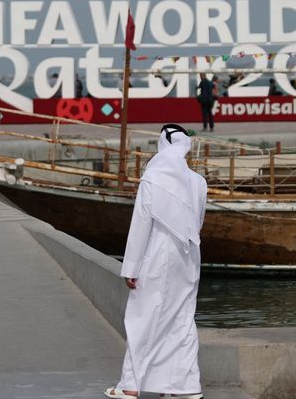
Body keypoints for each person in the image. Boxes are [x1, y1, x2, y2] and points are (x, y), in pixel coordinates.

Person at [105, 124, 207, 399]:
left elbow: (141, 225)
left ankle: (130, 385)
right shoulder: (198, 181)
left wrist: (131, 268)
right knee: (182, 319)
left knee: (143, 318)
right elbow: (197, 224)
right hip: (188, 257)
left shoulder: (152, 178)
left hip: (157, 255)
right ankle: (184, 386)